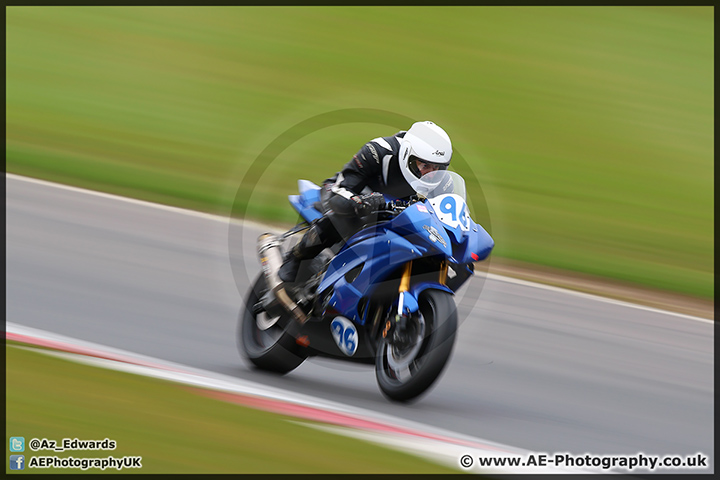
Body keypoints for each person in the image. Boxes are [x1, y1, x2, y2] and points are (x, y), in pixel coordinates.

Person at [278, 120, 453, 285]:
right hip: (349, 194)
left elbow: (448, 210)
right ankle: (296, 258)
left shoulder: (443, 182)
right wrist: (360, 202)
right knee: (342, 213)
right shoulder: (378, 151)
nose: (431, 174)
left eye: (437, 168)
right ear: (408, 156)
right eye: (425, 166)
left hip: (395, 215)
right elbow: (341, 189)